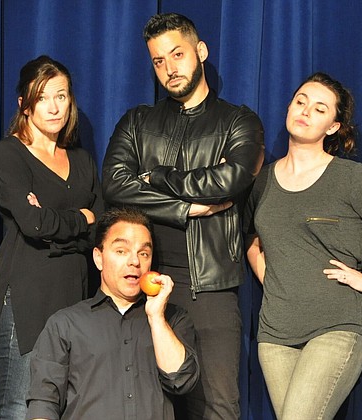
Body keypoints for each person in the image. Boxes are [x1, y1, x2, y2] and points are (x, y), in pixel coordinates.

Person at [101, 12, 264, 419]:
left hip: (209, 288)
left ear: (201, 51)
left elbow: (231, 179)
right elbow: (115, 186)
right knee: (142, 406)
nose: (170, 69)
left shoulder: (238, 121)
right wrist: (185, 208)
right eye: (158, 61)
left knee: (216, 408)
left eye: (177, 54)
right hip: (143, 284)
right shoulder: (138, 121)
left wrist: (155, 177)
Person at [244, 72, 362, 419]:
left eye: (319, 108)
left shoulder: (348, 178)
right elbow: (249, 236)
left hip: (336, 326)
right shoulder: (262, 180)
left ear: (332, 126)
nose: (305, 111)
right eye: (300, 101)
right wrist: (268, 276)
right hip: (275, 334)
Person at [0, 55, 103, 419]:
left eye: (62, 96)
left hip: (76, 296)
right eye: (43, 97)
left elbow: (100, 226)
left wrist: (66, 222)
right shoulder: (8, 155)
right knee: (20, 408)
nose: (54, 107)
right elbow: (33, 224)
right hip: (27, 298)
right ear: (24, 104)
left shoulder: (82, 161)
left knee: (69, 408)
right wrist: (80, 217)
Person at [26, 207, 199, 419]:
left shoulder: (173, 319)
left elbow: (181, 380)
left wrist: (156, 318)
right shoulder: (66, 323)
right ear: (98, 258)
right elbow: (43, 402)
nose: (135, 261)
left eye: (144, 253)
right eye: (121, 251)